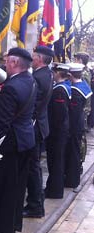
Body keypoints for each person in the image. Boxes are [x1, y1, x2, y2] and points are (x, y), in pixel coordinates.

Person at [0, 48, 36, 233]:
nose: (4, 63)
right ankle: (11, 225)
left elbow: (1, 123)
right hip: (25, 141)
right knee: (17, 189)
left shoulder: (11, 87)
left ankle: (3, 232)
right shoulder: (29, 80)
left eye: (6, 61)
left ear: (13, 63)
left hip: (8, 145)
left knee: (4, 189)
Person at [22, 46, 54, 218]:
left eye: (33, 57)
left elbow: (32, 105)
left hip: (34, 127)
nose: (31, 60)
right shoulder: (46, 74)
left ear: (40, 59)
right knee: (34, 167)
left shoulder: (37, 77)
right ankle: (36, 202)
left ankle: (35, 205)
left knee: (32, 168)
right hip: (40, 126)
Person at [45, 63, 71, 199]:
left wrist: (51, 131)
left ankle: (54, 191)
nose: (52, 74)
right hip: (60, 132)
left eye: (54, 72)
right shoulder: (63, 87)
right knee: (56, 161)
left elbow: (58, 115)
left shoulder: (60, 90)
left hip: (57, 133)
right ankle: (52, 187)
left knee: (56, 162)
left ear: (58, 73)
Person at [64, 62, 92, 189]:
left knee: (73, 152)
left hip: (74, 126)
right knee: (75, 150)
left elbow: (73, 113)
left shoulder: (75, 91)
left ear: (70, 74)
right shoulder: (83, 85)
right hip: (80, 122)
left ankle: (72, 180)